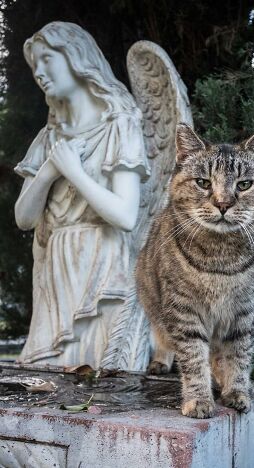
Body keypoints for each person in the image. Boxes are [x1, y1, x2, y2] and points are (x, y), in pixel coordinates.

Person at [14, 22, 149, 369]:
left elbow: (125, 217)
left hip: (103, 268)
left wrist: (73, 171)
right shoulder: (48, 140)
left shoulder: (121, 125)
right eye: (35, 65)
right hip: (57, 270)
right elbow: (24, 218)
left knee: (104, 387)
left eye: (47, 59)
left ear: (76, 56)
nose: (39, 72)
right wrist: (48, 170)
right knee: (46, 377)